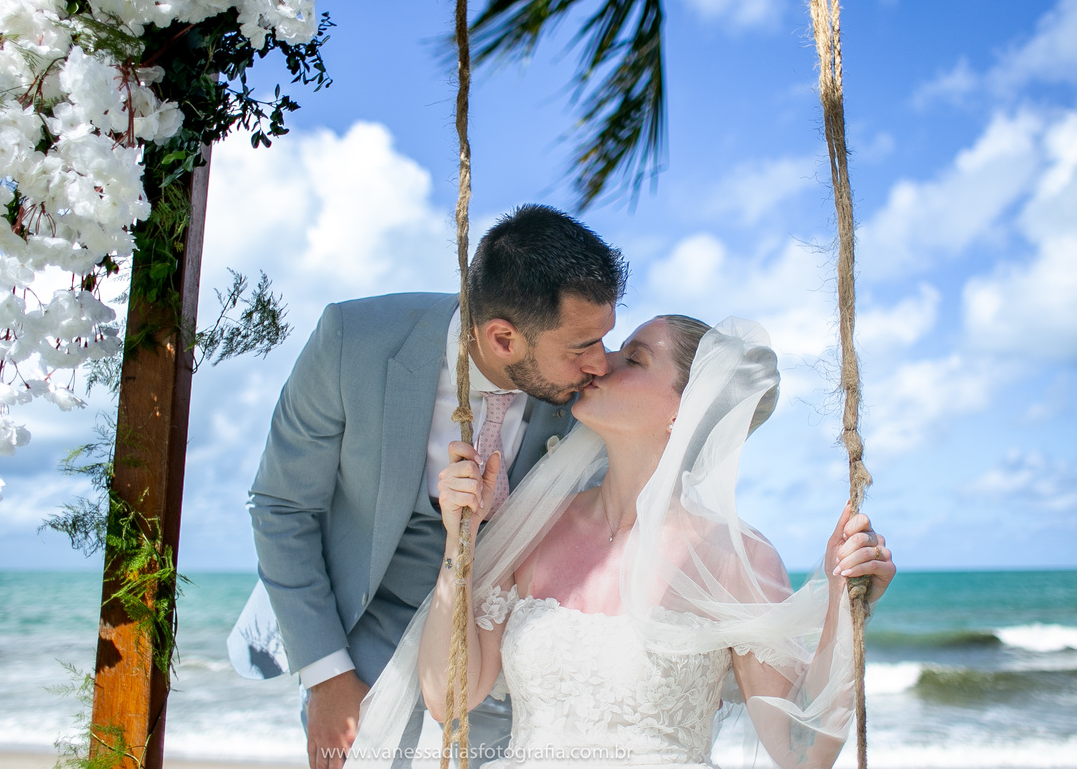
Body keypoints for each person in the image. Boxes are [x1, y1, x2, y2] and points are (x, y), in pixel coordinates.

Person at [348, 315, 896, 769]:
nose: (602, 362)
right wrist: (459, 545)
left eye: (635, 359)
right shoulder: (536, 526)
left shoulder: (736, 557)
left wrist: (846, 608)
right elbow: (448, 698)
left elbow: (801, 751)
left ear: (687, 408)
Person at [227, 204, 629, 769]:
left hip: (498, 655)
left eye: (603, 341)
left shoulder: (585, 395)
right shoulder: (352, 343)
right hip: (360, 636)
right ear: (503, 339)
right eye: (580, 348)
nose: (602, 365)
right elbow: (282, 505)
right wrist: (325, 677)